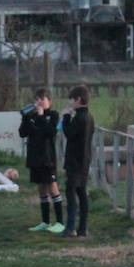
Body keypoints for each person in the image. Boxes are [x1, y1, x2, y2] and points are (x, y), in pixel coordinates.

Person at [19, 88, 65, 233]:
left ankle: (60, 222)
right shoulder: (31, 116)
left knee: (52, 187)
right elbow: (22, 133)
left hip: (48, 158)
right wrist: (26, 118)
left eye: (42, 99)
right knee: (41, 189)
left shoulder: (53, 116)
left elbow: (50, 132)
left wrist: (40, 116)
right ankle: (45, 221)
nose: (39, 102)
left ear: (49, 102)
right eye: (37, 99)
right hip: (34, 158)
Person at [61, 85, 94, 238]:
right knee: (82, 193)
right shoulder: (90, 117)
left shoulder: (79, 117)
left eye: (72, 101)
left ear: (78, 99)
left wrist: (66, 116)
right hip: (85, 160)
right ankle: (83, 228)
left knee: (71, 192)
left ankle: (70, 227)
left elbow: (68, 133)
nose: (71, 104)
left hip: (74, 161)